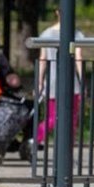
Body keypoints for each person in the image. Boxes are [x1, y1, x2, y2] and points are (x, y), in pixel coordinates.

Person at [36, 9, 84, 144]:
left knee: (53, 117)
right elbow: (78, 58)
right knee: (70, 118)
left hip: (53, 81)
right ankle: (66, 145)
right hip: (69, 82)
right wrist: (82, 80)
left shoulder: (46, 34)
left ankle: (36, 138)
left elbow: (43, 59)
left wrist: (40, 81)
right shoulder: (76, 33)